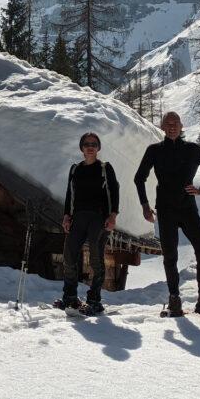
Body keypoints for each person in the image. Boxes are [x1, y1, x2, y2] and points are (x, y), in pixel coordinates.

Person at [134, 111, 200, 316]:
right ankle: (174, 299)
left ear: (182, 126)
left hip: (188, 208)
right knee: (170, 256)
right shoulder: (154, 150)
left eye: (176, 123)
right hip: (165, 210)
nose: (172, 126)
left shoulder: (192, 149)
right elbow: (139, 178)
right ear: (163, 127)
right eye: (168, 123)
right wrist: (145, 206)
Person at [54, 131, 120, 314]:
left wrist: (113, 215)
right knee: (69, 255)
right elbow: (70, 194)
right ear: (82, 148)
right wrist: (67, 215)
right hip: (79, 217)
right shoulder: (75, 169)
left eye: (94, 144)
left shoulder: (105, 168)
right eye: (86, 144)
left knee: (96, 257)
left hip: (99, 217)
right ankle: (70, 298)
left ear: (98, 148)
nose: (90, 147)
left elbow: (114, 191)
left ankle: (94, 300)